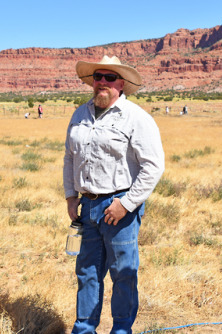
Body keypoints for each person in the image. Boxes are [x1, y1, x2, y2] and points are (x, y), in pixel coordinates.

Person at [63, 55, 165, 333]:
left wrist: (127, 204)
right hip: (88, 205)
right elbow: (70, 157)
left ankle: (121, 329)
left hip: (119, 206)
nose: (102, 83)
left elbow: (153, 166)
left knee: (123, 274)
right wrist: (71, 196)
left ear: (121, 83)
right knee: (87, 272)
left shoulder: (137, 118)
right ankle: (84, 328)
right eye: (98, 77)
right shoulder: (80, 114)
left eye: (109, 78)